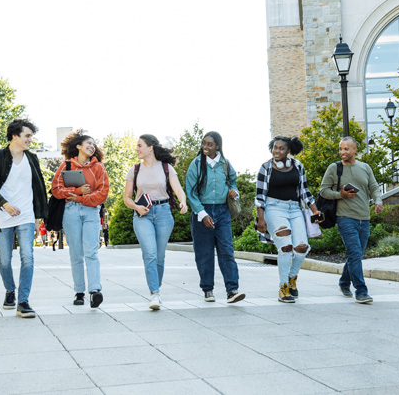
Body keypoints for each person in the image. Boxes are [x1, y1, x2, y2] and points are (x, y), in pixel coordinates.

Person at [0, 119, 47, 318]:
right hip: (2, 215)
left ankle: (23, 301)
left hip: (26, 215)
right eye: (27, 135)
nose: (30, 139)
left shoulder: (32, 159)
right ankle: (10, 290)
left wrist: (37, 219)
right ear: (15, 136)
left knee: (27, 258)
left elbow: (38, 190)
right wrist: (5, 204)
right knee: (5, 261)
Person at [122, 134, 188, 310]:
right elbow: (126, 198)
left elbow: (179, 190)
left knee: (159, 256)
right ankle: (154, 294)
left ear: (150, 147)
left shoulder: (166, 168)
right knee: (149, 254)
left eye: (139, 145)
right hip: (143, 215)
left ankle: (156, 290)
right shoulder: (134, 170)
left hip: (164, 213)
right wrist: (136, 207)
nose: (137, 149)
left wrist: (183, 201)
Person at [254, 136, 322, 303]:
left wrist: (315, 211)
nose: (277, 151)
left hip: (294, 209)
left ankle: (292, 278)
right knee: (285, 246)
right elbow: (259, 196)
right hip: (274, 209)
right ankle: (283, 287)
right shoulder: (266, 168)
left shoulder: (298, 166)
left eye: (281, 148)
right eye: (275, 147)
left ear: (289, 151)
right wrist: (260, 219)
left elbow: (305, 192)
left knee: (301, 246)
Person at [319, 136, 383, 304]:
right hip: (345, 217)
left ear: (355, 150)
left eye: (346, 149)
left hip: (364, 217)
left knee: (357, 254)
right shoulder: (334, 168)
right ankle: (361, 291)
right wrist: (340, 195)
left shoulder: (365, 167)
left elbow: (374, 187)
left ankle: (344, 282)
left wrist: (378, 201)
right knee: (354, 253)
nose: (342, 152)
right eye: (341, 149)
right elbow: (323, 191)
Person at [51, 130, 110, 308]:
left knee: (91, 252)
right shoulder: (66, 166)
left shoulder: (99, 167)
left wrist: (81, 198)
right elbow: (56, 190)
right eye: (88, 143)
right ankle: (79, 291)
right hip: (70, 212)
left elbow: (103, 193)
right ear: (78, 146)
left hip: (91, 211)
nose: (92, 146)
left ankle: (95, 291)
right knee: (76, 253)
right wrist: (77, 192)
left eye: (94, 144)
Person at [184, 131, 245, 304]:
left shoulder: (225, 164)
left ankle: (232, 290)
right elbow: (191, 192)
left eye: (209, 144)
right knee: (204, 253)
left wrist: (235, 192)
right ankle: (208, 289)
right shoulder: (196, 164)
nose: (205, 146)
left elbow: (233, 181)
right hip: (202, 211)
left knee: (226, 249)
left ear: (217, 146)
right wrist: (202, 214)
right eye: (204, 143)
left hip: (222, 211)